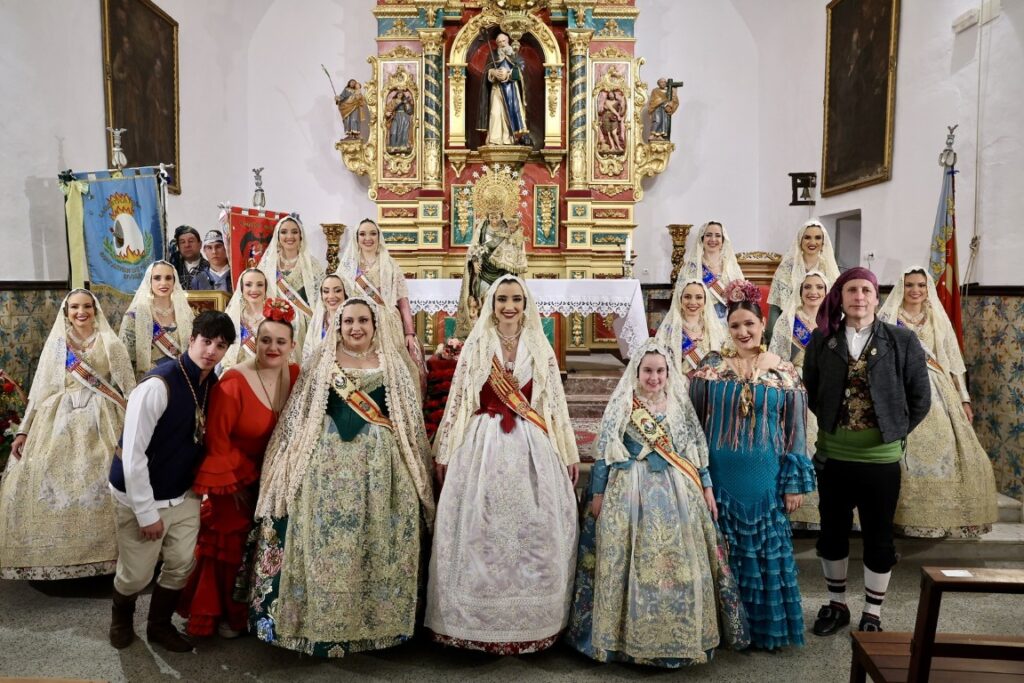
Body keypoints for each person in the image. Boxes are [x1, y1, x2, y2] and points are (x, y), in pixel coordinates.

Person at [249, 297, 434, 657]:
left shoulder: (394, 364)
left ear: (375, 325)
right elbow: (300, 412)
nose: (356, 328)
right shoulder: (322, 361)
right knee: (324, 534)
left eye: (363, 321)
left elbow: (408, 421)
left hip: (381, 467)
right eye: (348, 321)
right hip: (324, 466)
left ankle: (378, 625)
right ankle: (313, 621)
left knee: (375, 532)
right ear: (338, 324)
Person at [565, 342, 749, 666]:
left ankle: (680, 634)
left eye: (660, 371)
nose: (654, 377)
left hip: (677, 485)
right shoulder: (624, 403)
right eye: (647, 371)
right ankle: (621, 639)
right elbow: (606, 450)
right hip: (630, 485)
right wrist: (597, 493)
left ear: (668, 373)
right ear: (636, 372)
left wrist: (705, 486)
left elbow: (693, 447)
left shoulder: (678, 404)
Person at [426, 275, 579, 654]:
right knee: (481, 527)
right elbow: (460, 400)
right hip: (483, 442)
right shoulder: (478, 345)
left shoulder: (539, 348)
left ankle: (534, 620)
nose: (509, 306)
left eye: (516, 299)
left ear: (526, 305)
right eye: (502, 300)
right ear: (491, 305)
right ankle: (469, 620)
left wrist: (568, 451)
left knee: (532, 528)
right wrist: (445, 448)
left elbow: (553, 403)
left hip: (531, 442)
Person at [688, 280, 815, 651]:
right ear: (726, 328)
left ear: (763, 325)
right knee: (723, 551)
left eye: (749, 325)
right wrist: (697, 474)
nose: (743, 332)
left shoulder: (785, 372)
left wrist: (793, 482)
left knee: (764, 554)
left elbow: (795, 430)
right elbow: (693, 425)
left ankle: (761, 632)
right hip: (720, 477)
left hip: (766, 478)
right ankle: (725, 631)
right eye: (735, 326)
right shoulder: (708, 369)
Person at [803, 267, 930, 636]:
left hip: (881, 460)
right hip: (833, 456)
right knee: (832, 533)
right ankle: (837, 604)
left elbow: (920, 398)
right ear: (840, 298)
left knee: (878, 536)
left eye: (866, 291)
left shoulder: (902, 341)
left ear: (876, 298)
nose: (859, 297)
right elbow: (812, 389)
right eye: (852, 291)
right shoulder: (821, 340)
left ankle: (873, 611)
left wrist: (892, 432)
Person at [107, 310, 235, 652]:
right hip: (141, 495)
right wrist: (146, 512)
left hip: (184, 492)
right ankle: (120, 618)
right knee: (137, 574)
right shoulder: (158, 385)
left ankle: (159, 626)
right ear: (191, 340)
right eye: (205, 342)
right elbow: (132, 456)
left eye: (220, 346)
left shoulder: (211, 384)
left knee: (181, 563)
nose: (210, 351)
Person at [178, 299, 300, 639]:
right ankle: (218, 613)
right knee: (230, 538)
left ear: (292, 346)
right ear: (253, 341)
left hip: (274, 478)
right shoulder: (233, 382)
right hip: (231, 480)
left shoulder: (295, 374)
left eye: (280, 341)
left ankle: (255, 610)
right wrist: (237, 488)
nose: (272, 348)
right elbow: (217, 443)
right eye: (265, 340)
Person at [0, 290, 135, 580]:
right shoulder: (57, 345)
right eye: (74, 307)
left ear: (95, 310)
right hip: (58, 419)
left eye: (87, 306)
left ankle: (112, 557)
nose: (81, 312)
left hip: (104, 416)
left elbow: (128, 387)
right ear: (66, 311)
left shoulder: (111, 342)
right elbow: (40, 390)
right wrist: (24, 430)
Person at [877, 267, 997, 538]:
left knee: (945, 446)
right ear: (901, 286)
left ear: (927, 288)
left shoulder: (937, 318)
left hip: (938, 390)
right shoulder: (888, 318)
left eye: (921, 285)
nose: (915, 290)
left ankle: (940, 517)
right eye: (909, 285)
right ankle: (902, 516)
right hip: (900, 387)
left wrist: (964, 399)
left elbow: (953, 362)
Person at [769, 271, 830, 528]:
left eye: (818, 287)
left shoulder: (834, 320)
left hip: (827, 384)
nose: (813, 292)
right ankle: (800, 514)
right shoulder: (787, 321)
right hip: (794, 385)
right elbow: (776, 359)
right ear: (800, 290)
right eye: (807, 287)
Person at [336, 219, 425, 390]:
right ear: (356, 238)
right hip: (358, 324)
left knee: (393, 370)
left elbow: (402, 299)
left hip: (388, 324)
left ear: (379, 237)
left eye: (372, 233)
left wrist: (409, 332)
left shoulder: (390, 264)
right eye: (362, 234)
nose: (367, 238)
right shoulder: (347, 267)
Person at [766, 220, 840, 343]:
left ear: (823, 242)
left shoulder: (829, 268)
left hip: (821, 328)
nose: (812, 242)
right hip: (789, 330)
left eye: (817, 238)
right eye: (807, 237)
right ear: (800, 240)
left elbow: (835, 305)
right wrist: (771, 335)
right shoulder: (786, 268)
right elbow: (775, 306)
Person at [120, 260, 195, 380]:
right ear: (149, 281)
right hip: (149, 380)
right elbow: (126, 359)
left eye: (168, 278)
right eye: (157, 278)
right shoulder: (134, 316)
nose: (163, 283)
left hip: (181, 378)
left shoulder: (186, 314)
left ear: (174, 281)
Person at [256, 215, 320, 351]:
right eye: (284, 232)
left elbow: (320, 299)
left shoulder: (312, 265)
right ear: (277, 236)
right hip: (274, 321)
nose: (289, 236)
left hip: (305, 325)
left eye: (294, 232)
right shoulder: (268, 264)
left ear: (301, 236)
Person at [654, 279, 727, 377]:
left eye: (699, 297)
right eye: (687, 297)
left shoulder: (713, 328)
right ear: (680, 299)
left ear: (705, 300)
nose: (693, 302)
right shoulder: (669, 329)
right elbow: (660, 362)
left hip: (708, 383)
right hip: (679, 383)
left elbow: (723, 360)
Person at [681, 222, 745, 322]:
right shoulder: (691, 267)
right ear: (702, 239)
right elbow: (681, 296)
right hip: (700, 321)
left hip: (728, 322)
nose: (713, 239)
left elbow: (742, 297)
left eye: (718, 235)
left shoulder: (731, 266)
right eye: (708, 235)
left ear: (723, 240)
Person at [477, 32, 532, 147]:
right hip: (496, 88)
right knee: (495, 113)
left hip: (511, 89)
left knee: (509, 114)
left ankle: (508, 140)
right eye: (499, 42)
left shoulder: (515, 56)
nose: (502, 44)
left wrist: (508, 74)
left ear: (508, 42)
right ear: (497, 44)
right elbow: (487, 71)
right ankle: (494, 139)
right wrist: (494, 73)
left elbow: (521, 74)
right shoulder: (493, 55)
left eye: (504, 41)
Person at [222, 268, 281, 369]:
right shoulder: (233, 317)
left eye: (260, 285)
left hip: (270, 373)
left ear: (266, 288)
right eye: (248, 285)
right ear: (241, 288)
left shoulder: (276, 316)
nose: (254, 289)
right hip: (239, 374)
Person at [302, 273, 353, 364]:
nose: (331, 296)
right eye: (326, 291)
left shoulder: (354, 321)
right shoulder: (318, 321)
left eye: (337, 291)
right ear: (321, 295)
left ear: (345, 293)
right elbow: (308, 354)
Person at [169, 225, 209, 291]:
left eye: (191, 241)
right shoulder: (173, 269)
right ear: (178, 247)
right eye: (182, 242)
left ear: (200, 244)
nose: (187, 245)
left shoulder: (209, 268)